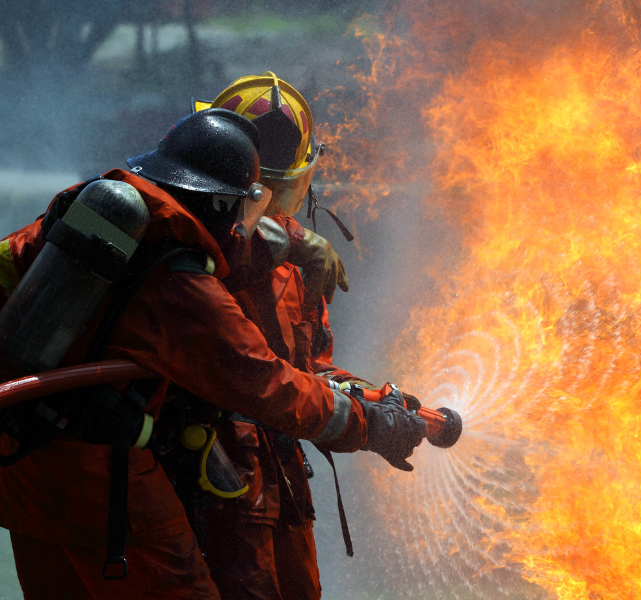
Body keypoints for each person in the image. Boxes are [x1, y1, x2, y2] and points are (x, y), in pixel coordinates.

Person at [0, 108, 426, 599]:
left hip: (24, 473)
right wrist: (369, 425)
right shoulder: (179, 283)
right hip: (104, 495)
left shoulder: (86, 218)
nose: (246, 226)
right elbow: (267, 383)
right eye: (243, 211)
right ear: (221, 204)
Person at [182, 72, 368, 600]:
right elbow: (257, 377)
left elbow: (309, 370)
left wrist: (375, 401)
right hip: (209, 477)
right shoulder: (188, 249)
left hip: (277, 477)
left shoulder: (299, 267)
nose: (270, 205)